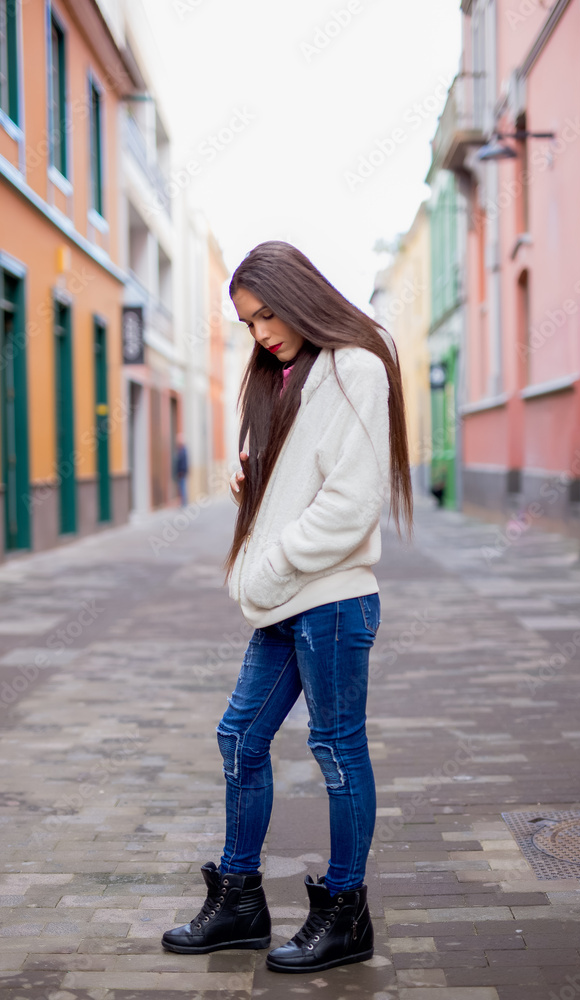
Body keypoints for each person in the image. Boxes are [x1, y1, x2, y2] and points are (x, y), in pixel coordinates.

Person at [161, 241, 413, 974]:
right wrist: (258, 491)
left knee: (336, 750)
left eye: (269, 313)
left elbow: (351, 501)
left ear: (301, 295)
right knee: (240, 737)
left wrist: (266, 562)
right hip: (285, 600)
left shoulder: (355, 368)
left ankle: (344, 914)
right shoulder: (281, 378)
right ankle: (239, 900)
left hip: (330, 601)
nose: (262, 331)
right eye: (247, 322)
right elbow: (310, 485)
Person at [175, 435, 189, 507]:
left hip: (182, 472)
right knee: (182, 487)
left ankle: (184, 503)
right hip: (181, 472)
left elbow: (183, 463)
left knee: (182, 487)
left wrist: (181, 471)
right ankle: (184, 502)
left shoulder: (183, 451)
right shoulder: (182, 450)